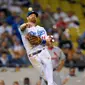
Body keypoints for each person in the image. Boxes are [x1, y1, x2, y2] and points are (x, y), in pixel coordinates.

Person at [18, 11, 55, 85]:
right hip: (33, 55)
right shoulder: (25, 28)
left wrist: (48, 40)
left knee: (50, 78)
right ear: (27, 18)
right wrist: (26, 24)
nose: (33, 16)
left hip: (44, 52)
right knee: (45, 76)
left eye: (35, 15)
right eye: (31, 15)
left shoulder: (41, 29)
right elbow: (21, 28)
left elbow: (46, 42)